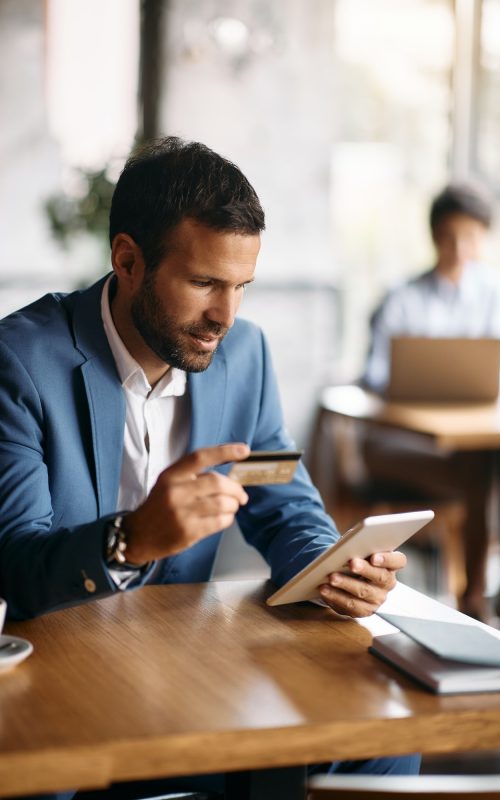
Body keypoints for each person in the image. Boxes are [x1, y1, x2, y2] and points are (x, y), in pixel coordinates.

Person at [0, 136, 418, 796]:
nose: (225, 316)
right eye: (203, 284)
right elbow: (14, 569)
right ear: (128, 260)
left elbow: (284, 501)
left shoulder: (244, 355)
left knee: (384, 743)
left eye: (241, 286)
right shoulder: (20, 364)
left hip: (187, 666)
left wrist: (332, 570)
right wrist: (129, 541)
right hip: (57, 672)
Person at [361, 181, 500, 622]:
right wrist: (411, 386)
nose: (460, 248)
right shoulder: (402, 299)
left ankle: (475, 596)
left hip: (470, 443)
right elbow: (374, 375)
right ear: (434, 236)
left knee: (484, 464)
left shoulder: (493, 297)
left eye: (471, 237)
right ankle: (474, 599)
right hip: (398, 444)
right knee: (481, 470)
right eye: (450, 236)